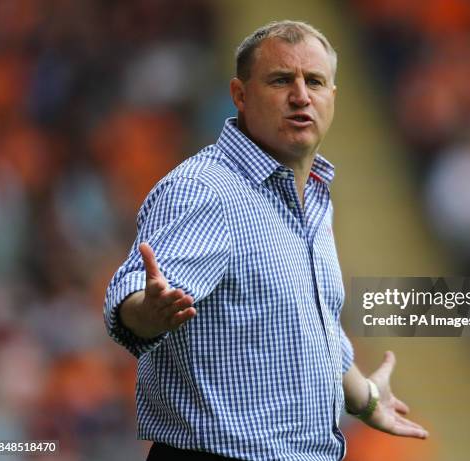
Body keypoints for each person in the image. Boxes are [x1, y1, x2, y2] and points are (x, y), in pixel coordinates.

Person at [104, 20, 428, 461]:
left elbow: (308, 329)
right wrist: (148, 313)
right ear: (240, 95)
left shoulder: (312, 196)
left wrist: (365, 397)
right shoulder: (205, 189)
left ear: (332, 97)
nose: (301, 96)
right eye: (281, 80)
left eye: (314, 81)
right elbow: (129, 301)